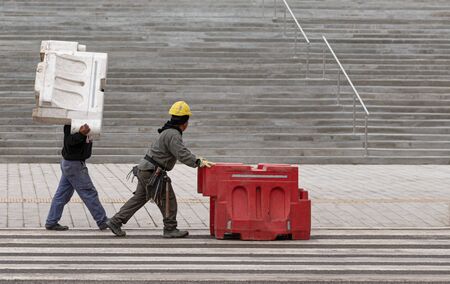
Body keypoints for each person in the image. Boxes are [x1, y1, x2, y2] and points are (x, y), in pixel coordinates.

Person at [106, 101, 214, 238]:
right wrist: (197, 161)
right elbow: (181, 153)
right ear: (185, 121)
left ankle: (115, 221)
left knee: (139, 198)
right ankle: (170, 228)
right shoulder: (173, 134)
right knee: (168, 200)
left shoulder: (168, 131)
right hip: (153, 172)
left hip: (145, 169)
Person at [45, 123, 108, 231]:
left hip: (70, 163)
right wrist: (81, 134)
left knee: (63, 194)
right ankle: (102, 220)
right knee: (89, 192)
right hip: (74, 165)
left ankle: (51, 221)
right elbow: (69, 142)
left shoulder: (84, 121)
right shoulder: (72, 124)